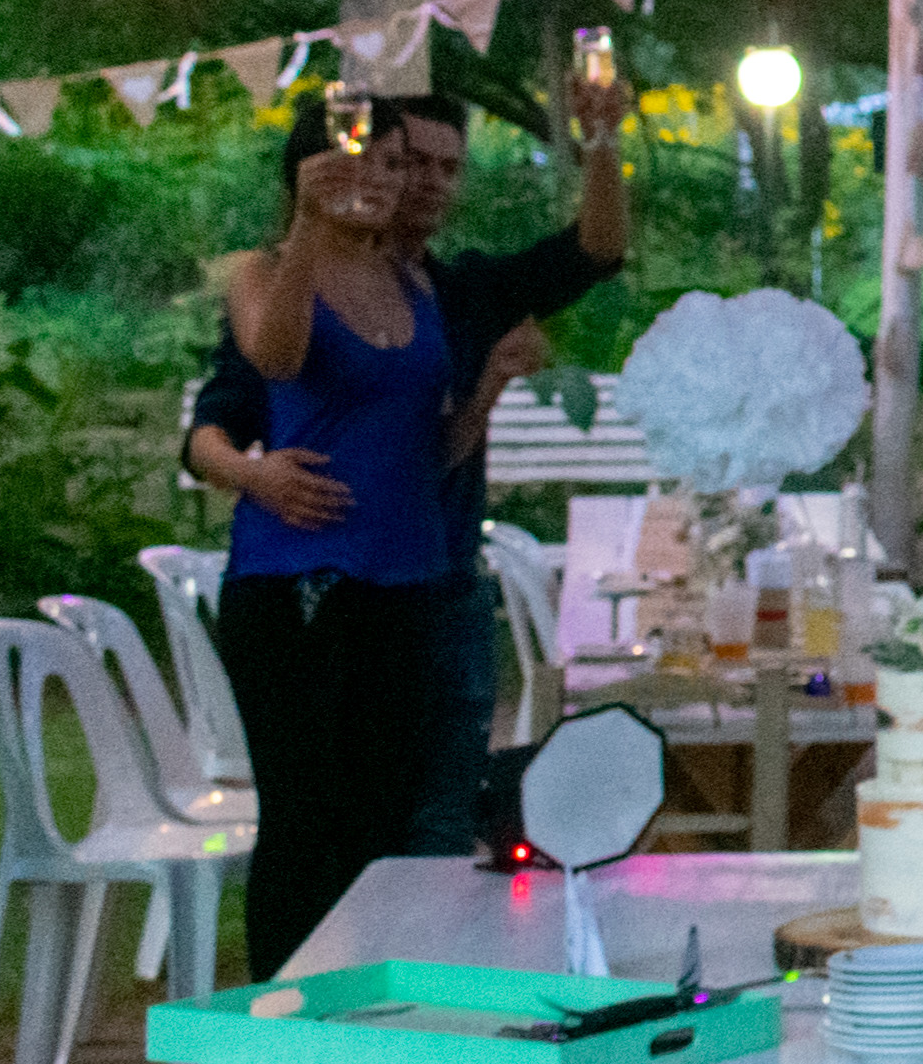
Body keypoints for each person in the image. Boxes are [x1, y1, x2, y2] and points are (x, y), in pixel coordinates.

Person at [185, 75, 633, 852]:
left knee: (434, 816)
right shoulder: (290, 287)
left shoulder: (450, 291)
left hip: (437, 574)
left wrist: (600, 138)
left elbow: (593, 251)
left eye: (442, 167)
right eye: (403, 161)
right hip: (322, 581)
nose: (421, 181)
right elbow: (214, 424)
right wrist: (256, 475)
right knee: (326, 825)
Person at [210, 107, 468, 978]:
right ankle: (285, 1010)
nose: (383, 181)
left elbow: (428, 444)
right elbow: (276, 359)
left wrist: (491, 391)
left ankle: (368, 999)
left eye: (395, 165)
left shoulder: (415, 282)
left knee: (384, 815)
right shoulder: (264, 271)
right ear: (310, 170)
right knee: (304, 815)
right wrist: (308, 230)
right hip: (300, 575)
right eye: (362, 161)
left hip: (408, 574)